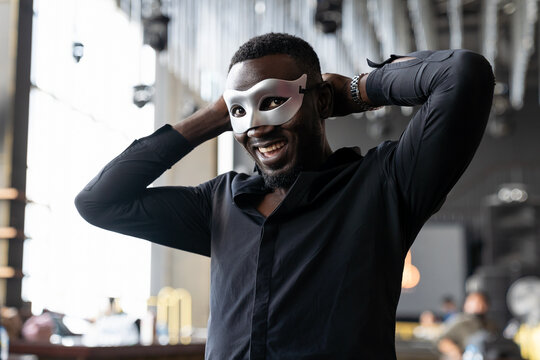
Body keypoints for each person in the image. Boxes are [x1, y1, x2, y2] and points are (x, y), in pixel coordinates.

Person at [75, 33, 494, 359]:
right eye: (240, 110)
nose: (256, 126)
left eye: (273, 101)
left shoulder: (387, 184)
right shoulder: (219, 205)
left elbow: (461, 75)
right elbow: (99, 202)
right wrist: (214, 116)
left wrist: (356, 91)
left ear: (320, 101)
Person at [438, 292, 498, 360]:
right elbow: (442, 341)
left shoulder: (490, 324)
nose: (479, 305)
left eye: (482, 302)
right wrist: (455, 352)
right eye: (475, 302)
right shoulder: (458, 321)